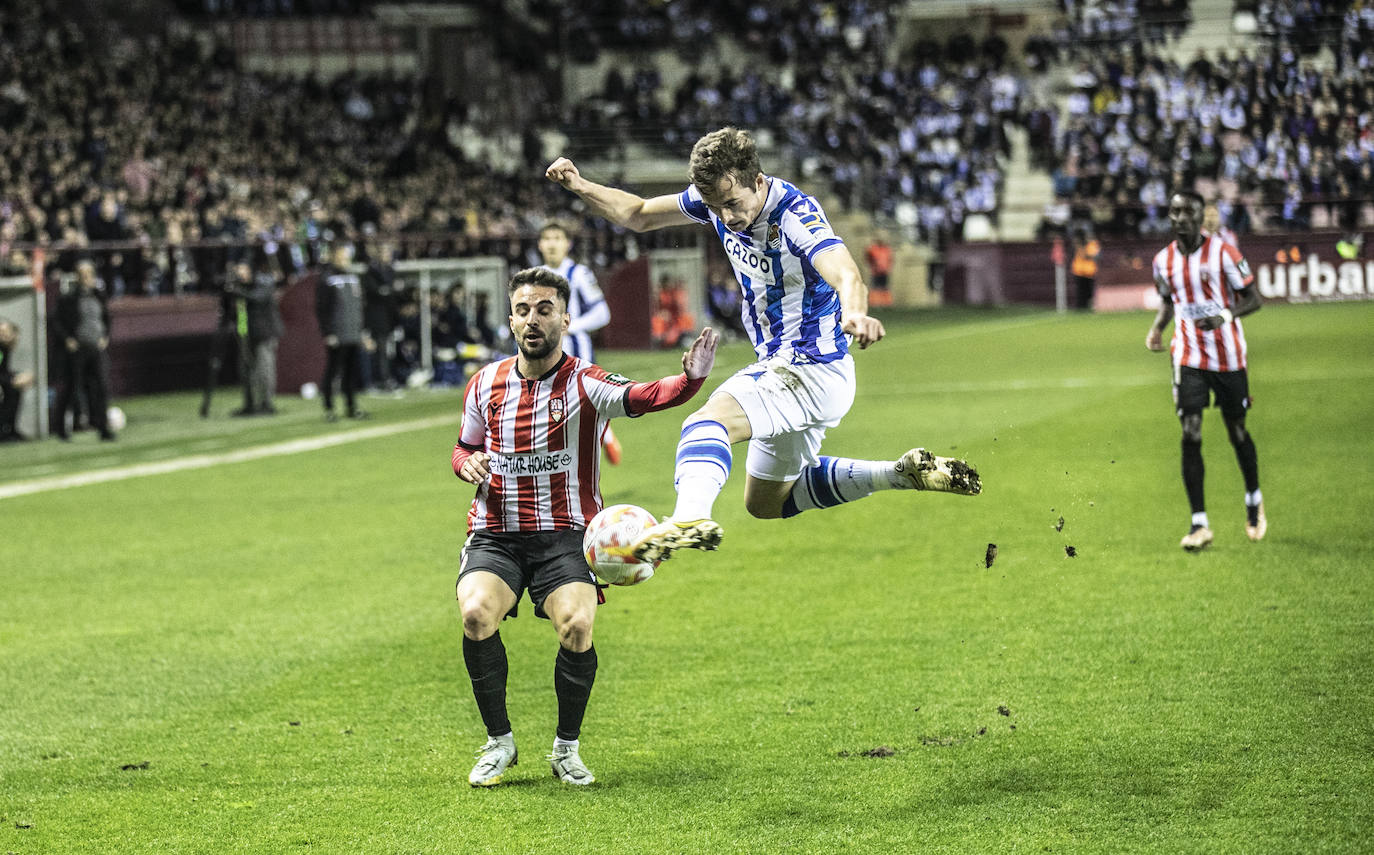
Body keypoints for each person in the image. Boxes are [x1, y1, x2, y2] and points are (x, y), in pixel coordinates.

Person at [545, 127, 982, 564]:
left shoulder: (794, 214)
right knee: (766, 502)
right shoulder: (716, 201)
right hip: (800, 373)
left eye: (733, 204)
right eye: (716, 206)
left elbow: (846, 273)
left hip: (805, 366)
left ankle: (687, 517)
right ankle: (899, 474)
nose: (726, 216)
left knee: (705, 423)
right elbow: (638, 213)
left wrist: (854, 312)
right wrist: (581, 185)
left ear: (757, 181)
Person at [453, 266, 718, 788]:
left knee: (576, 626)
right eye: (524, 309)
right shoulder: (484, 383)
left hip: (567, 539)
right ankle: (499, 743)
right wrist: (468, 465)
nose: (534, 320)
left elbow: (645, 396)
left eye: (545, 309)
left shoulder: (585, 382)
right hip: (496, 534)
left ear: (565, 319)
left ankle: (566, 749)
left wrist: (691, 380)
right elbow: (464, 446)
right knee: (476, 613)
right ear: (510, 319)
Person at [1146, 190, 1266, 551]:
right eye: (1175, 211)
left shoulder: (1224, 253)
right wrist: (1156, 328)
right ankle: (1199, 523)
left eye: (1188, 212)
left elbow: (1254, 298)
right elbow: (1169, 301)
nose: (1180, 217)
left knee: (1237, 431)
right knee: (1191, 431)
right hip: (1187, 355)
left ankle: (1253, 498)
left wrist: (1226, 315)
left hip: (1228, 356)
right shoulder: (1162, 261)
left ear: (1201, 216)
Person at [536, 221, 623, 465]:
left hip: (576, 351)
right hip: (544, 354)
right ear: (540, 245)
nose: (552, 244)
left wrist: (569, 327)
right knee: (549, 407)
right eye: (547, 238)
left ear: (567, 244)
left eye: (557, 238)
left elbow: (602, 313)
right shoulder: (533, 277)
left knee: (583, 402)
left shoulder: (579, 274)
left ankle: (602, 434)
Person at [52, 260, 116, 441]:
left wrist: (106, 336)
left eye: (89, 274)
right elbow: (57, 322)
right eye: (83, 275)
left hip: (96, 347)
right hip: (78, 348)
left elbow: (106, 318)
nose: (87, 278)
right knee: (72, 387)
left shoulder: (98, 295)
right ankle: (61, 428)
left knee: (101, 388)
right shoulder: (68, 298)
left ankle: (102, 427)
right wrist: (68, 340)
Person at [315, 241, 371, 421]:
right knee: (333, 371)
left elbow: (359, 306)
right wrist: (328, 332)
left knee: (350, 372)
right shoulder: (326, 279)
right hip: (337, 333)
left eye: (346, 256)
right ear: (333, 257)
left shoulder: (353, 277)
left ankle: (351, 406)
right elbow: (322, 309)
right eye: (340, 256)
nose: (344, 259)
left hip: (353, 333)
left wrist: (362, 332)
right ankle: (329, 408)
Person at [229, 256, 284, 416]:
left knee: (264, 369)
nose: (241, 274)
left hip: (264, 333)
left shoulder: (263, 282)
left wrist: (237, 291)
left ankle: (266, 403)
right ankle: (250, 403)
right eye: (238, 270)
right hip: (246, 333)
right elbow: (234, 312)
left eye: (243, 270)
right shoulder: (240, 288)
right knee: (246, 370)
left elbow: (258, 298)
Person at [0, 318, 35, 441]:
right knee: (11, 388)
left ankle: (11, 429)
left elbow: (3, 371)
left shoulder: (5, 349)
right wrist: (12, 380)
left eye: (6, 332)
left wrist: (17, 376)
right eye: (1, 332)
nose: (3, 335)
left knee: (15, 390)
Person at [1070, 223, 1101, 310]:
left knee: (1089, 293)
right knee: (1080, 292)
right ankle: (1080, 308)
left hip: (1089, 272)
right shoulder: (1076, 245)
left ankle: (1089, 308)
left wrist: (1081, 246)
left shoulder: (1091, 243)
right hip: (1079, 272)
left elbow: (1090, 256)